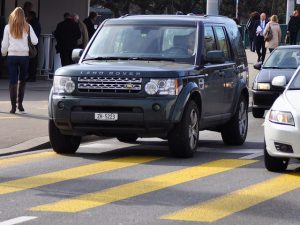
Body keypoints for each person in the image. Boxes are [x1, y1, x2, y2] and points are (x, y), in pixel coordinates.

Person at [1, 7, 38, 114]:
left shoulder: (8, 27)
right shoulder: (28, 26)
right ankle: (20, 105)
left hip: (12, 56)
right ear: (23, 16)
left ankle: (13, 107)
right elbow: (35, 41)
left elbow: (4, 44)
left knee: (12, 81)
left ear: (12, 15)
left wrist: (4, 53)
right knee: (22, 80)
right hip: (24, 57)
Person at [26, 11, 41, 82]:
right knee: (33, 60)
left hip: (31, 44)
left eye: (28, 16)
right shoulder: (36, 23)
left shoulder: (32, 24)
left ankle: (31, 76)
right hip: (34, 44)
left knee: (32, 60)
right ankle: (31, 76)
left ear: (31, 16)